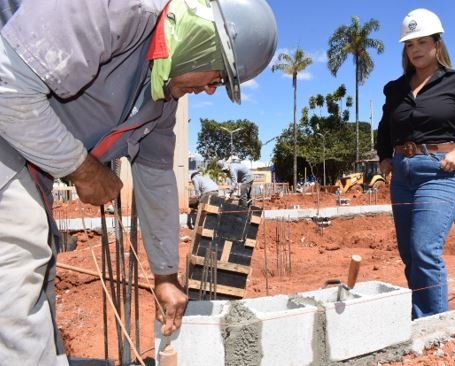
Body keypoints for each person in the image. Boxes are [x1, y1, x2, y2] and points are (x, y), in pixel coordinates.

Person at [0, 0, 277, 364]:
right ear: (201, 43)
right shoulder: (115, 9)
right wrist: (82, 169)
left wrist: (165, 275)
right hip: (8, 126)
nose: (211, 90)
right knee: (17, 274)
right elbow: (8, 88)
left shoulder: (161, 103)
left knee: (38, 284)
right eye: (217, 77)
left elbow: (157, 178)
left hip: (32, 162)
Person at [375, 8, 455, 319]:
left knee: (424, 249)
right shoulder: (395, 89)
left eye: (422, 42)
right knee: (409, 255)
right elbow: (384, 128)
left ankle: (434, 325)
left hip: (441, 172)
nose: (416, 50)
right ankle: (419, 317)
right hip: (402, 175)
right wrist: (384, 156)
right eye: (410, 45)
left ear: (437, 44)